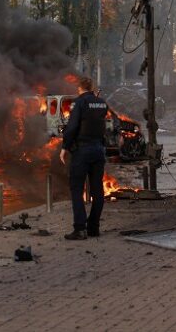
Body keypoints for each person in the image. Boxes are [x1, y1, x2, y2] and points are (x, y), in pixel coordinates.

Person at [60, 77, 108, 240]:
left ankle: (80, 229)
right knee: (97, 190)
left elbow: (72, 127)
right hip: (99, 150)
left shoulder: (79, 103)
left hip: (82, 150)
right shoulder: (101, 103)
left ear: (79, 88)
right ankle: (94, 227)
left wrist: (65, 147)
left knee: (77, 189)